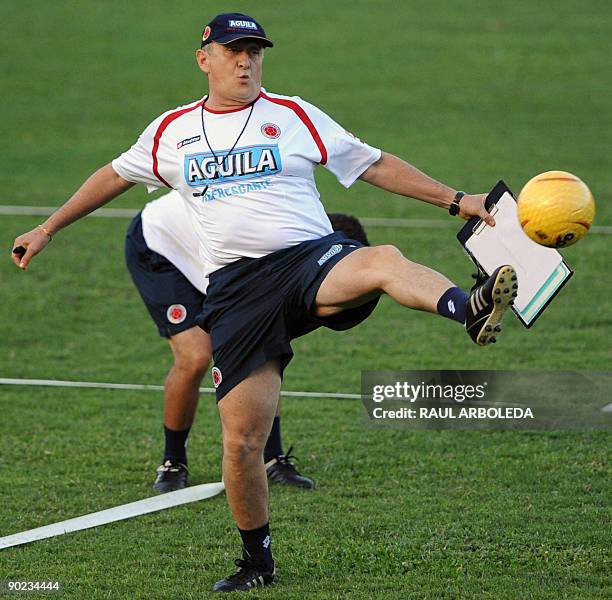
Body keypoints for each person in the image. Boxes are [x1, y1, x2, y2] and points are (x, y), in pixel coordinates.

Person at [11, 12, 518, 592]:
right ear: (205, 58)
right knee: (242, 443)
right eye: (234, 51)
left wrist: (459, 200)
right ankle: (258, 563)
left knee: (381, 258)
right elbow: (114, 175)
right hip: (235, 292)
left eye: (255, 51)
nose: (246, 61)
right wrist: (49, 228)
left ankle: (468, 305)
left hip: (309, 260)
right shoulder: (171, 132)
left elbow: (372, 162)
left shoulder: (293, 114)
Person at [125, 189, 369, 492]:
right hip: (162, 244)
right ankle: (173, 460)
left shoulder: (297, 243)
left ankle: (272, 458)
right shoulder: (280, 246)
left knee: (264, 343)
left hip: (215, 254)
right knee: (195, 356)